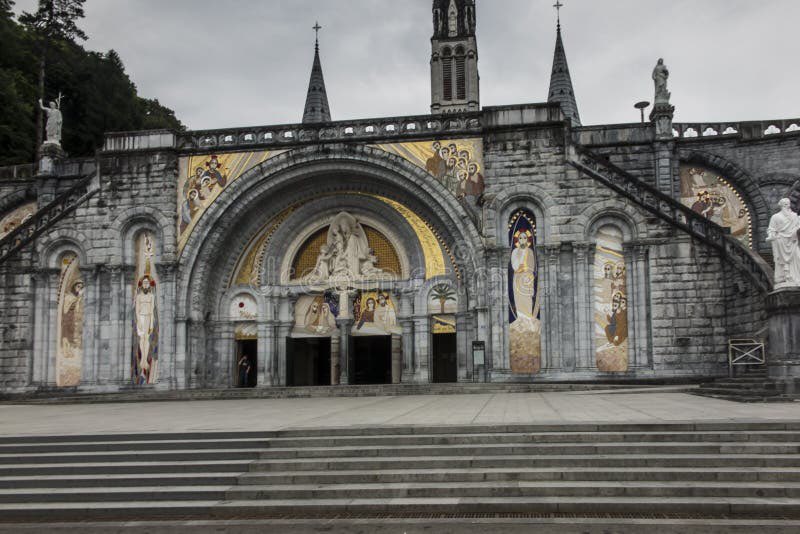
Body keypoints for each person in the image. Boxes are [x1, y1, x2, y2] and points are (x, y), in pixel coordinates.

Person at [767, 198, 800, 288]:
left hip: (793, 240)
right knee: (782, 261)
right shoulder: (775, 217)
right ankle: (786, 277)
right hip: (781, 241)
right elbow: (771, 229)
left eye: (788, 204)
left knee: (798, 257)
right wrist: (771, 235)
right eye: (785, 204)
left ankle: (796, 277)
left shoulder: (794, 216)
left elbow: (798, 226)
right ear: (781, 206)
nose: (787, 206)